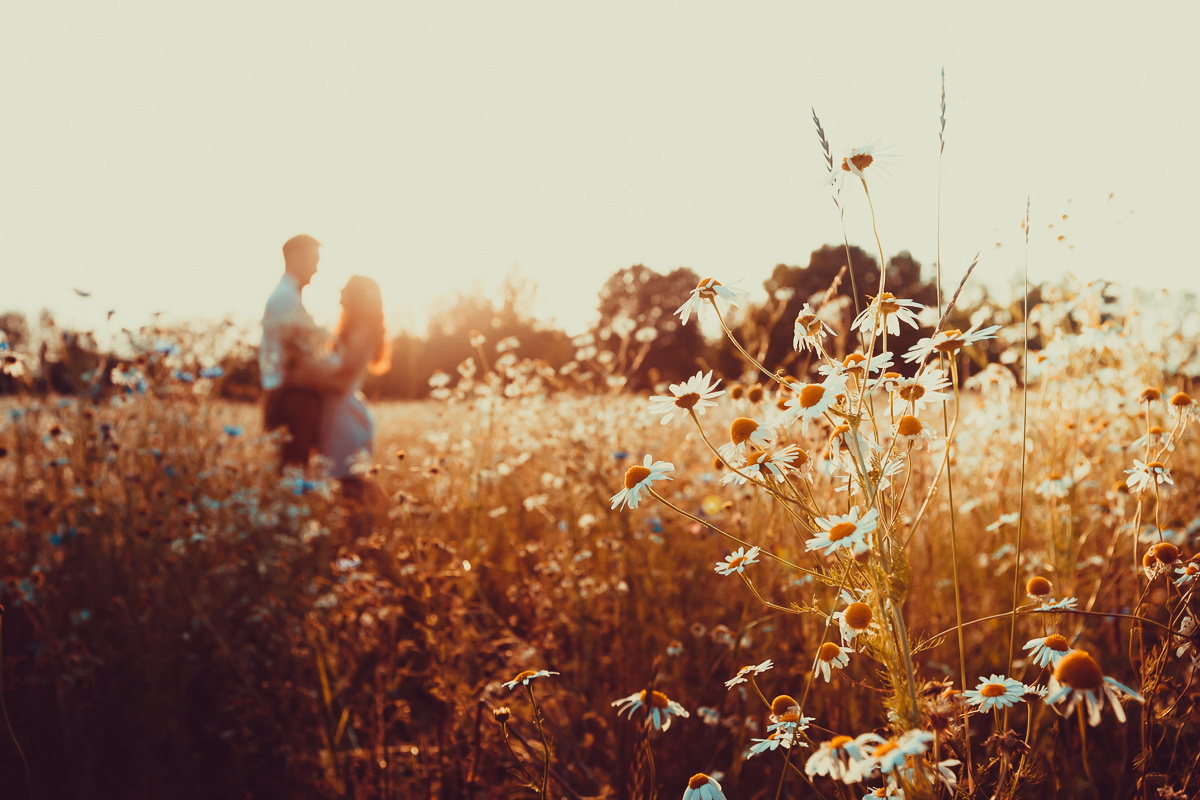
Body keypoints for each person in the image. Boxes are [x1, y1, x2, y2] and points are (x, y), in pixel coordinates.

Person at [290, 275, 392, 491]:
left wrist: (302, 376)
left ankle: (379, 512)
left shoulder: (363, 332)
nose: (340, 291)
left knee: (350, 485)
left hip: (345, 419)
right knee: (341, 485)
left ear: (357, 297)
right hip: (335, 414)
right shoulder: (350, 331)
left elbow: (342, 384)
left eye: (346, 289)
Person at [260, 234, 327, 470]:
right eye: (314, 261)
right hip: (292, 398)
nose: (316, 269)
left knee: (292, 469)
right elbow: (296, 360)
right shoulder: (285, 299)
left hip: (291, 395)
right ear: (296, 257)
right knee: (292, 469)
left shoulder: (288, 297)